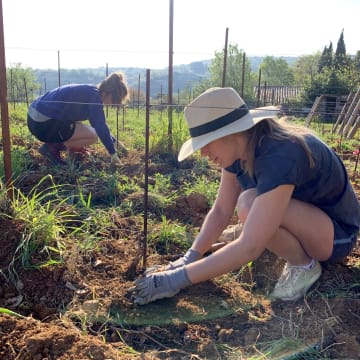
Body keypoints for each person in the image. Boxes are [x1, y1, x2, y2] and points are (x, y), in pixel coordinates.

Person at [132, 87, 360, 305]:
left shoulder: (281, 153)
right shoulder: (238, 153)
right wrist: (190, 257)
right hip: (308, 221)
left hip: (335, 236)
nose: (202, 153)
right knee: (250, 206)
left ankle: (304, 266)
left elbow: (250, 247)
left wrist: (174, 280)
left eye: (207, 143)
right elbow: (221, 211)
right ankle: (259, 231)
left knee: (249, 205)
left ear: (231, 133)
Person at [27, 71, 129, 165]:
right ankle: (51, 148)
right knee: (92, 136)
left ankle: (71, 148)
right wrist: (113, 153)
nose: (113, 104)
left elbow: (97, 124)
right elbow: (100, 127)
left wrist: (116, 142)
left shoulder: (90, 92)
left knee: (80, 124)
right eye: (115, 100)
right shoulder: (95, 98)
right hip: (43, 122)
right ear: (108, 93)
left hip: (34, 118)